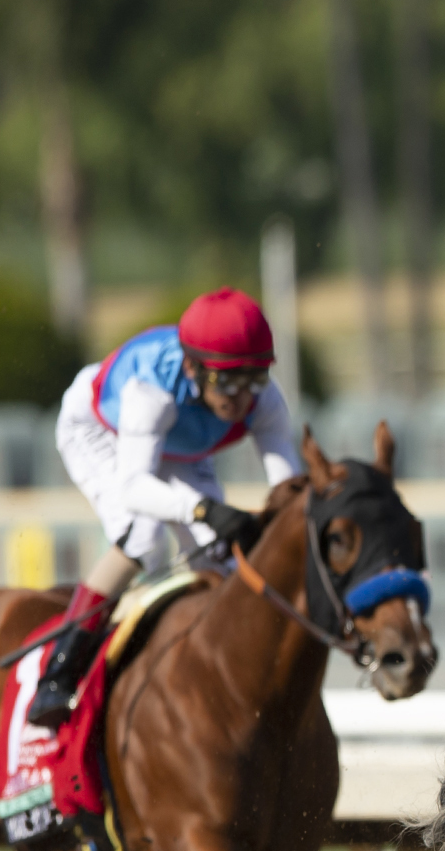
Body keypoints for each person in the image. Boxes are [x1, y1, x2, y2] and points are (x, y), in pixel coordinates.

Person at [27, 287, 301, 727]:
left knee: (220, 556)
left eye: (255, 379)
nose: (243, 398)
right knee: (144, 538)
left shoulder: (262, 399)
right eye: (228, 381)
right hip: (100, 427)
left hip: (174, 442)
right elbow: (136, 487)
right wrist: (205, 509)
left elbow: (288, 488)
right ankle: (60, 672)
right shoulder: (149, 392)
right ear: (191, 367)